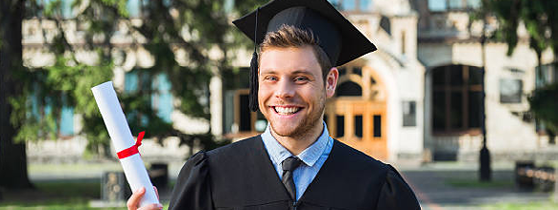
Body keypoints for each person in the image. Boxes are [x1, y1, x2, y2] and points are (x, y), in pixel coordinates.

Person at [127, 0, 420, 209]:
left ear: (330, 82)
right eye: (270, 77)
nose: (283, 92)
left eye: (300, 78)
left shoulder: (377, 187)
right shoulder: (211, 176)